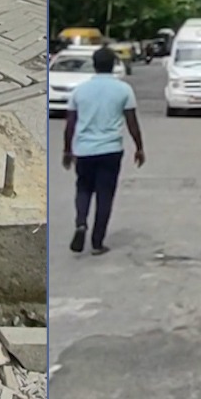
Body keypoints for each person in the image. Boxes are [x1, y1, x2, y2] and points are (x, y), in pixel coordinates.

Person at [62, 44, 144, 255]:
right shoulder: (124, 90)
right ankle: (97, 243)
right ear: (114, 65)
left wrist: (67, 151)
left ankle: (81, 223)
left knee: (83, 189)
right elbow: (132, 122)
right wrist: (139, 147)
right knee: (105, 196)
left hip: (84, 151)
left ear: (94, 66)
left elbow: (70, 124)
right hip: (111, 150)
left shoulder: (80, 90)